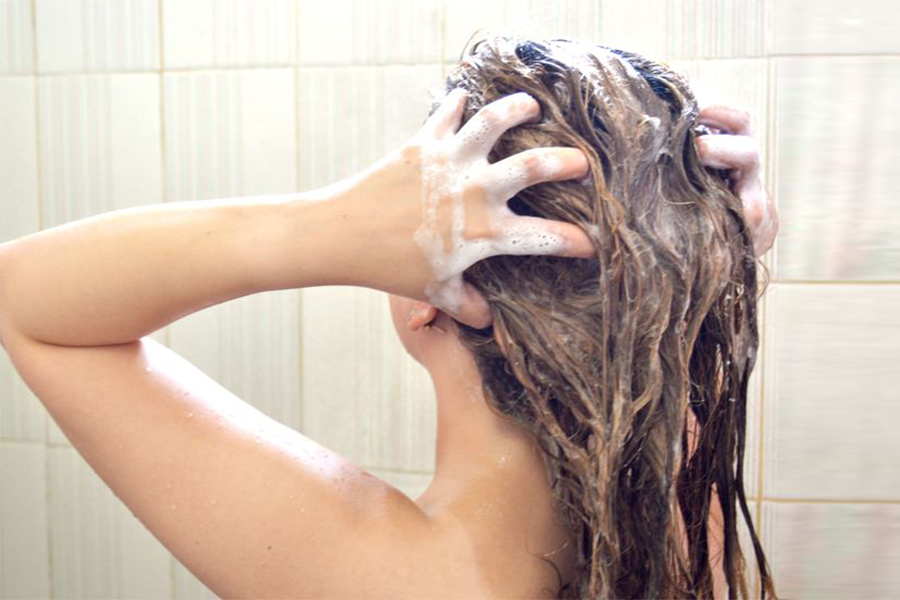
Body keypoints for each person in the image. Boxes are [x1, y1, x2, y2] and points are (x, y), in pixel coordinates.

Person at [0, 36, 777, 599]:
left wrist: (322, 226)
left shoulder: (386, 578)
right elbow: (652, 346)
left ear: (421, 297)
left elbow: (24, 298)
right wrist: (710, 257)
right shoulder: (682, 535)